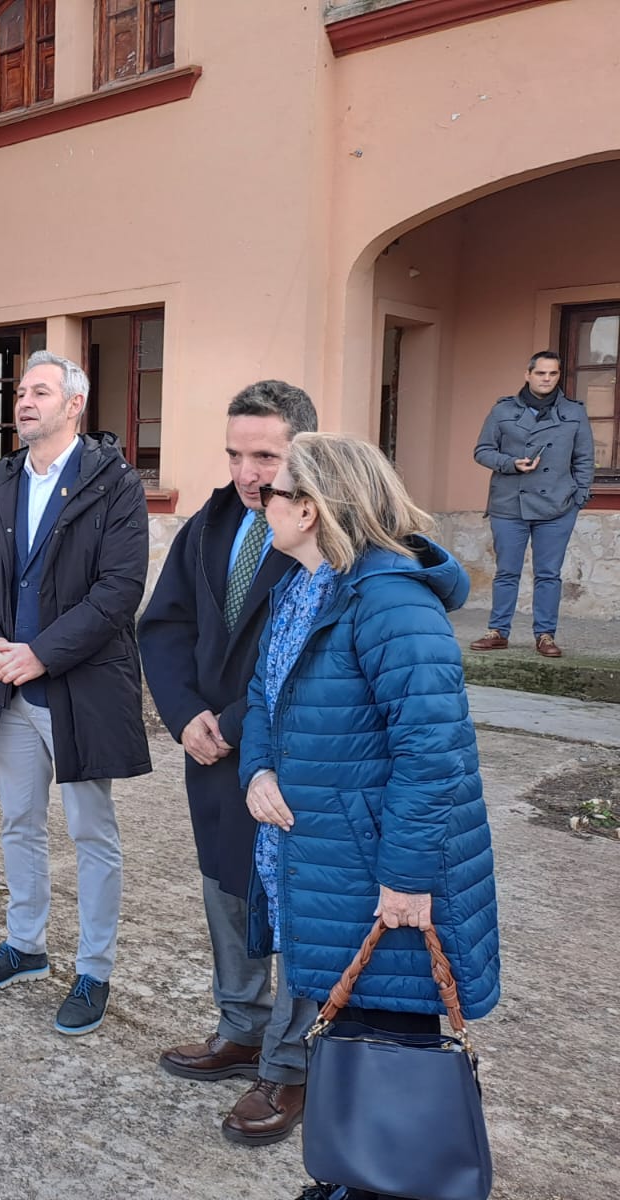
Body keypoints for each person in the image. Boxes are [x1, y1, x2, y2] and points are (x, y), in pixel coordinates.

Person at [235, 433, 500, 1200]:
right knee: (352, 1029)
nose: (260, 505)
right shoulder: (305, 585)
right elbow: (265, 694)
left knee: (396, 1039)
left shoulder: (389, 599)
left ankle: (398, 1181)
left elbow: (436, 748)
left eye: (270, 494)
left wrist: (408, 877)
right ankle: (360, 1174)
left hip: (383, 868)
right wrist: (257, 767)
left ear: (311, 510)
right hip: (327, 860)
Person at [138, 380, 323, 1145]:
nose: (247, 473)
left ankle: (289, 1067)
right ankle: (240, 1029)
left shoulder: (326, 535)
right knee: (226, 891)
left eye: (265, 456)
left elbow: (311, 655)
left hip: (287, 757)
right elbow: (165, 624)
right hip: (209, 749)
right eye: (235, 454)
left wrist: (238, 722)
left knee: (299, 907)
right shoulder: (212, 521)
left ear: (303, 456)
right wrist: (185, 716)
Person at [0, 351, 151, 1035]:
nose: (23, 401)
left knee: (91, 832)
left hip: (79, 687)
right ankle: (26, 946)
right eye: (21, 391)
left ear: (75, 404)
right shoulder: (3, 482)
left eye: (41, 391)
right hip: (8, 686)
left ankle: (93, 970)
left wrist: (42, 653)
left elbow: (118, 591)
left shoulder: (115, 485)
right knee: (17, 822)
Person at [470, 349, 594, 658]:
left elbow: (585, 459)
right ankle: (497, 631)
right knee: (507, 571)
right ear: (528, 375)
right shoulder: (503, 410)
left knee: (548, 573)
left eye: (553, 373)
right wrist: (511, 463)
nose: (547, 379)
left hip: (557, 506)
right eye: (541, 373)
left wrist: (578, 497)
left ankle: (545, 636)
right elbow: (482, 450)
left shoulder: (574, 412)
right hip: (509, 503)